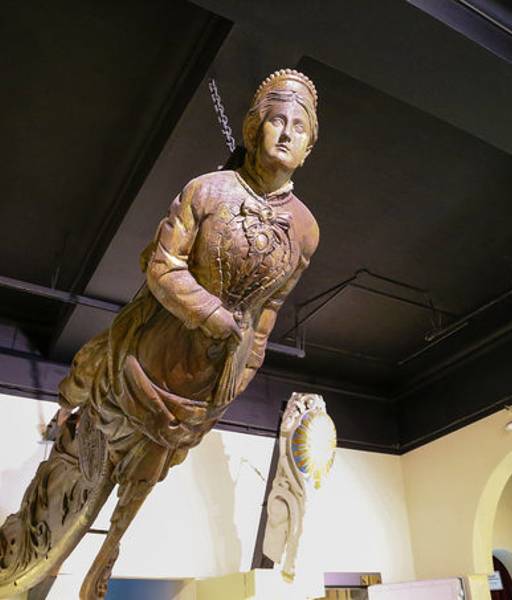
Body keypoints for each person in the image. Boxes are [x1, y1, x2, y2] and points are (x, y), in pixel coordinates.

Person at [52, 69, 321, 597]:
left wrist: (245, 370)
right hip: (155, 338)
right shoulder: (207, 190)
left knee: (153, 468)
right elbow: (163, 265)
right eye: (278, 120)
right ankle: (69, 410)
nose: (287, 133)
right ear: (254, 129)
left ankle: (110, 549)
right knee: (95, 368)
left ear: (309, 147)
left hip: (208, 381)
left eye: (300, 127)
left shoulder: (307, 230)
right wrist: (210, 314)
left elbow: (269, 311)